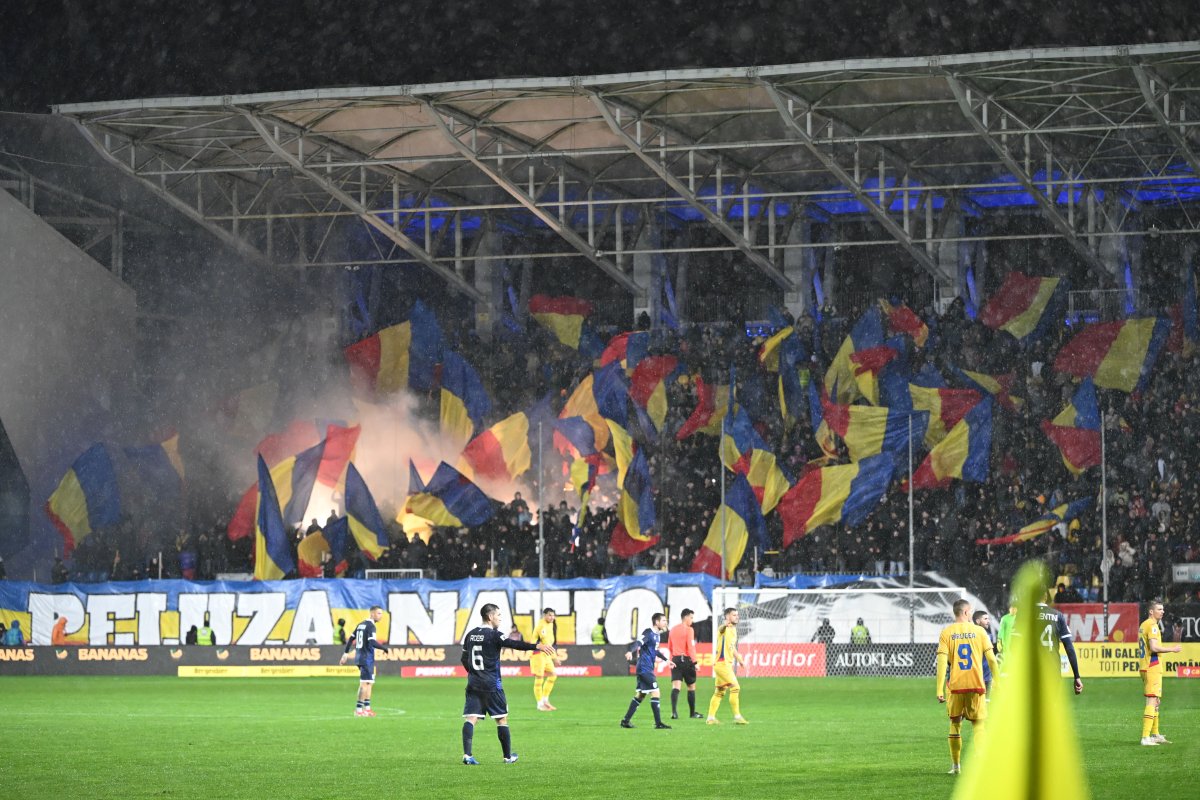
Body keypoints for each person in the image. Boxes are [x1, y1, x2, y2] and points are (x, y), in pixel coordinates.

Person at [460, 602, 554, 765]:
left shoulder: (470, 634)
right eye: (498, 615)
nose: (500, 618)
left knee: (470, 719)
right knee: (502, 719)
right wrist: (536, 646)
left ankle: (467, 756)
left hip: (473, 684)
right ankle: (507, 757)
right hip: (491, 684)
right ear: (490, 617)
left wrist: (474, 674)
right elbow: (514, 644)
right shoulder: (495, 635)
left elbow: (463, 658)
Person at [935, 599, 998, 775]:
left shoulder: (947, 632)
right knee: (979, 726)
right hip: (976, 685)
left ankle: (956, 767)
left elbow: (941, 663)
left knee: (955, 724)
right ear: (965, 612)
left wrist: (939, 689)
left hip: (956, 686)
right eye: (970, 612)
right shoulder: (979, 631)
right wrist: (998, 681)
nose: (971, 614)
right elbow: (992, 660)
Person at [1138, 599, 1182, 746]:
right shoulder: (1152, 626)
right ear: (1151, 611)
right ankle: (1145, 737)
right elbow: (1154, 647)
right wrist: (1172, 649)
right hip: (1152, 666)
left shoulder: (1144, 625)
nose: (1162, 611)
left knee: (1156, 700)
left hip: (1146, 666)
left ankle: (1155, 734)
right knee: (1152, 699)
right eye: (1159, 609)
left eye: (1163, 609)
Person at [620, 612, 675, 729]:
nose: (666, 622)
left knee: (640, 695)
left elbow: (655, 651)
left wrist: (666, 660)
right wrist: (631, 651)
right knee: (656, 692)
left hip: (647, 668)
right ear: (657, 622)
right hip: (644, 668)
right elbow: (638, 643)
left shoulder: (657, 635)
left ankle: (625, 721)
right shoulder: (648, 632)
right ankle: (658, 723)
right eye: (664, 620)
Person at [339, 605, 390, 717]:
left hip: (362, 657)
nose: (381, 616)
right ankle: (358, 710)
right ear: (372, 614)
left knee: (369, 683)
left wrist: (345, 653)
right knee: (364, 684)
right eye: (378, 613)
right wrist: (384, 648)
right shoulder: (371, 626)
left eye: (381, 613)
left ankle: (367, 709)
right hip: (366, 658)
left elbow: (351, 638)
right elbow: (372, 642)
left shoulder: (361, 624)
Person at [1035, 585, 1083, 696]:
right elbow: (1069, 647)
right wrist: (1077, 676)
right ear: (1046, 596)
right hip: (1052, 669)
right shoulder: (1058, 615)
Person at [707, 607, 748, 725]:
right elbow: (721, 629)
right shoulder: (724, 629)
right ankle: (737, 716)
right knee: (736, 687)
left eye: (737, 615)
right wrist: (725, 625)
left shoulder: (733, 630)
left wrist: (740, 659)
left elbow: (732, 648)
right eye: (734, 615)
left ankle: (710, 718)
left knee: (720, 692)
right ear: (727, 617)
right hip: (722, 665)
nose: (737, 617)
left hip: (724, 665)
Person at [667, 609, 703, 720]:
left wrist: (672, 659)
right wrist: (695, 662)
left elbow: (670, 647)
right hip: (687, 660)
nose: (692, 620)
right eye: (691, 617)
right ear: (686, 617)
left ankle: (674, 712)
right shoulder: (689, 630)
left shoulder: (672, 629)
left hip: (675, 660)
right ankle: (692, 713)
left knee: (676, 687)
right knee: (691, 687)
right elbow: (691, 647)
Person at [531, 608, 562, 711]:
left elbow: (550, 642)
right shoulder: (541, 625)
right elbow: (545, 641)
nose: (552, 617)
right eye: (549, 615)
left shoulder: (551, 624)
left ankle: (545, 700)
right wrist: (555, 657)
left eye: (553, 615)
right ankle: (540, 704)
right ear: (544, 615)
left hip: (546, 654)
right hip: (538, 653)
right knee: (539, 678)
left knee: (553, 675)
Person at [971, 609, 994, 695]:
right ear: (977, 621)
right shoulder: (986, 636)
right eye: (985, 619)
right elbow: (991, 658)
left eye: (988, 619)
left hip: (985, 674)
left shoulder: (988, 635)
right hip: (978, 675)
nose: (988, 621)